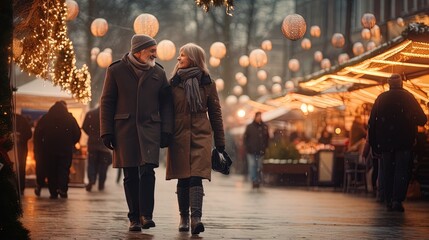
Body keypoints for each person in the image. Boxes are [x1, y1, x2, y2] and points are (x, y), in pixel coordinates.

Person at [100, 34, 174, 232]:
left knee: (148, 171)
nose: (155, 54)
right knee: (130, 174)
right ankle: (134, 218)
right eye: (151, 51)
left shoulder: (158, 72)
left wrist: (166, 130)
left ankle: (146, 215)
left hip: (151, 128)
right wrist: (106, 131)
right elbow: (107, 102)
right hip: (125, 130)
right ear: (139, 51)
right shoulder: (116, 70)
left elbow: (167, 104)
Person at [166, 43, 225, 235]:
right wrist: (164, 134)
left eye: (182, 55)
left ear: (192, 58)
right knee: (183, 177)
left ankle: (196, 219)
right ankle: (184, 216)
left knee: (196, 176)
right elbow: (166, 112)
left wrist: (220, 143)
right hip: (179, 133)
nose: (178, 58)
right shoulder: (173, 83)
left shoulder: (208, 83)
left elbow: (216, 113)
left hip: (201, 133)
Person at [368, 73, 427, 212]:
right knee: (401, 171)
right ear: (401, 84)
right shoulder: (408, 97)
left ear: (389, 85)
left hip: (385, 144)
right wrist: (409, 119)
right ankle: (397, 200)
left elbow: (372, 123)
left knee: (387, 171)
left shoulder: (380, 99)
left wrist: (374, 144)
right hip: (404, 142)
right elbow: (422, 120)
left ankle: (388, 199)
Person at [33, 101, 81, 199]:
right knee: (64, 169)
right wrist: (71, 143)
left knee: (51, 170)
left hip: (49, 149)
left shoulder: (46, 118)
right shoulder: (70, 119)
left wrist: (40, 146)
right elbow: (77, 133)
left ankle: (53, 191)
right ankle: (63, 189)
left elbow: (37, 134)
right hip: (65, 149)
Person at [82, 106, 112, 192]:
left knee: (91, 163)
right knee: (103, 165)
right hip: (104, 145)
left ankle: (91, 180)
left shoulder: (90, 113)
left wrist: (91, 134)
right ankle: (101, 184)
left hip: (92, 144)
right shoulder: (109, 114)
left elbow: (84, 127)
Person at [243, 112, 269, 189]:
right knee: (252, 166)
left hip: (261, 151)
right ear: (255, 117)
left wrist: (265, 147)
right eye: (258, 116)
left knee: (259, 166)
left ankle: (258, 180)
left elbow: (267, 138)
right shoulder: (250, 127)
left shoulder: (264, 127)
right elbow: (245, 138)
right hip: (251, 151)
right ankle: (254, 181)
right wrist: (247, 147)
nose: (259, 118)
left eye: (260, 116)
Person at [13, 113, 32, 195]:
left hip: (17, 149)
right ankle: (20, 187)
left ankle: (18, 187)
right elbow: (29, 134)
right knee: (21, 167)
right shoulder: (22, 120)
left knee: (18, 167)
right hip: (22, 149)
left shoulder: (6, 120)